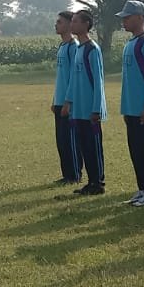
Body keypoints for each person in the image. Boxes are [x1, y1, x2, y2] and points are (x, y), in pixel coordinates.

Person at [115, 0, 144, 207]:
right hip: (131, 108)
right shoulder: (131, 43)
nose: (124, 21)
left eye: (128, 17)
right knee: (136, 150)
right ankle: (143, 188)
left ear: (141, 17)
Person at [65, 10, 107, 196]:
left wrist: (97, 108)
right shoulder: (79, 49)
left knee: (93, 147)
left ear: (86, 24)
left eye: (75, 21)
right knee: (84, 147)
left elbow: (98, 81)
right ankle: (91, 182)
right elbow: (74, 79)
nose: (72, 24)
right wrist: (69, 101)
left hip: (90, 109)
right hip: (79, 109)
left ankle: (98, 183)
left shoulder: (92, 49)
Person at [51, 11, 81, 185]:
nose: (56, 25)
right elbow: (61, 77)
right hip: (59, 101)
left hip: (69, 103)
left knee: (70, 140)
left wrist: (68, 101)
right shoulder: (62, 46)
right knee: (61, 140)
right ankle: (66, 174)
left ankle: (74, 174)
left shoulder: (73, 47)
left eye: (60, 22)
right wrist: (54, 100)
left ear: (70, 24)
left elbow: (74, 77)